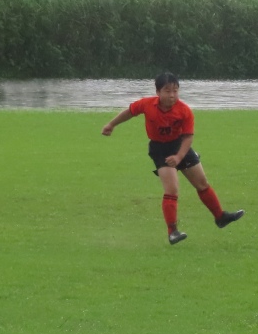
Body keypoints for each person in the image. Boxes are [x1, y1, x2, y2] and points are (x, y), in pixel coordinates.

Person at [102, 72, 243, 245]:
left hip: (180, 146)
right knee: (172, 190)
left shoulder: (184, 110)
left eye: (175, 91)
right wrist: (111, 124)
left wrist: (179, 156)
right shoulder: (146, 104)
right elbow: (130, 112)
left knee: (202, 184)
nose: (172, 95)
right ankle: (172, 232)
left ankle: (220, 217)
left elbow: (188, 137)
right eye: (167, 91)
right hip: (160, 149)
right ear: (158, 92)